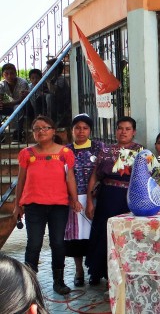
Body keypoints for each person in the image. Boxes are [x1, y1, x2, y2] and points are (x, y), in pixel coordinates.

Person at [13, 115, 82, 295]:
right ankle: (29, 284)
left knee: (58, 243)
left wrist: (74, 200)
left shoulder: (65, 153)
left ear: (53, 131)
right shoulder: (26, 154)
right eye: (37, 129)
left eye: (45, 128)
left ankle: (58, 282)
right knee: (34, 244)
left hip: (59, 205)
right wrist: (17, 205)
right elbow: (21, 181)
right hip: (34, 206)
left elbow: (70, 177)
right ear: (33, 133)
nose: (41, 131)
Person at [86, 116, 143, 286]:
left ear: (133, 132)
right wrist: (89, 201)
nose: (123, 132)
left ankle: (126, 273)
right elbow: (95, 176)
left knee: (125, 235)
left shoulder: (140, 151)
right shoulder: (105, 151)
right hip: (106, 198)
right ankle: (97, 271)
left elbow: (145, 178)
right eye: (120, 128)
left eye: (127, 129)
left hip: (128, 200)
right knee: (103, 233)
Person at [64, 114, 104, 287]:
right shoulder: (65, 150)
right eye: (77, 128)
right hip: (72, 200)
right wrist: (72, 198)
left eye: (85, 128)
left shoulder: (99, 147)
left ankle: (95, 271)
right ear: (72, 130)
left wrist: (92, 197)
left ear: (90, 130)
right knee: (75, 237)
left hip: (94, 198)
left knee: (94, 235)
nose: (81, 131)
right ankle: (79, 271)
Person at [0, 63, 30, 143]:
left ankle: (18, 135)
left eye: (12, 73)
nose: (9, 76)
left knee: (17, 107)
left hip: (23, 107)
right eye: (6, 74)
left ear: (15, 73)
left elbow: (21, 101)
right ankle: (1, 135)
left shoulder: (22, 82)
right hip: (9, 107)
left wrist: (5, 103)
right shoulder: (1, 84)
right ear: (3, 75)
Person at [45, 58, 71, 128]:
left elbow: (53, 91)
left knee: (49, 97)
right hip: (55, 104)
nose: (47, 71)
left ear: (57, 70)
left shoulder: (61, 79)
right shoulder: (53, 79)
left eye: (49, 68)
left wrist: (47, 80)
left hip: (62, 107)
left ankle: (51, 121)